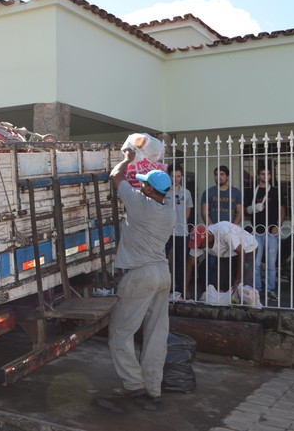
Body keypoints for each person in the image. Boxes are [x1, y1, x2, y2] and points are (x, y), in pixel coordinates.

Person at [108, 148, 176, 407]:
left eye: (145, 184)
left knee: (120, 332)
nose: (142, 186)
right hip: (163, 274)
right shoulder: (169, 211)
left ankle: (134, 383)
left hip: (141, 274)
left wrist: (127, 158)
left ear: (148, 190)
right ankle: (153, 386)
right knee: (157, 332)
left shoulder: (137, 203)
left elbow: (115, 175)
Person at [245, 167, 286, 301]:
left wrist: (278, 225)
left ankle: (270, 289)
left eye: (268, 174)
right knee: (256, 263)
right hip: (257, 230)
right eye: (263, 174)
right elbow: (246, 210)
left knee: (271, 263)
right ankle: (257, 289)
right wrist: (253, 208)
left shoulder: (275, 191)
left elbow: (282, 209)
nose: (265, 176)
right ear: (258, 175)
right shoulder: (252, 190)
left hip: (271, 231)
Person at [186, 223, 257, 298]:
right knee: (219, 285)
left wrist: (238, 278)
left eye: (200, 244)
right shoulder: (199, 241)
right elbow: (189, 265)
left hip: (247, 248)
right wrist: (186, 289)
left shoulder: (224, 232)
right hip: (227, 253)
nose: (197, 246)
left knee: (243, 286)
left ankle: (245, 306)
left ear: (208, 237)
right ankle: (226, 305)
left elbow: (241, 252)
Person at [200, 166, 243, 290]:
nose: (219, 177)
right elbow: (204, 212)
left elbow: (239, 212)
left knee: (230, 264)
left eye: (222, 174)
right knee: (211, 264)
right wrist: (212, 230)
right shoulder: (208, 192)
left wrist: (232, 229)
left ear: (227, 177)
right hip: (213, 235)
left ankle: (227, 291)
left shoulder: (236, 192)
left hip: (230, 235)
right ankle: (207, 291)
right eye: (216, 174)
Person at [164, 164, 193, 297]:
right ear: (168, 176)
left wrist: (180, 222)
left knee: (181, 262)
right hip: (166, 232)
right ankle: (164, 289)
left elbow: (188, 212)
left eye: (178, 176)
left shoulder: (186, 193)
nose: (176, 179)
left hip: (182, 232)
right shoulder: (163, 191)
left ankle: (181, 290)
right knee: (163, 260)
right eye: (173, 176)